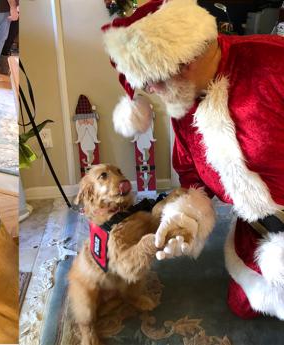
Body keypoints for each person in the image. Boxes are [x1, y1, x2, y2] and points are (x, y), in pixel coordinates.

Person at [102, 0, 284, 320]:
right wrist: (184, 219)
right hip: (259, 227)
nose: (152, 92)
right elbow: (193, 177)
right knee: (243, 305)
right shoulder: (182, 101)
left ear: (186, 61)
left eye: (153, 81)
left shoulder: (273, 62)